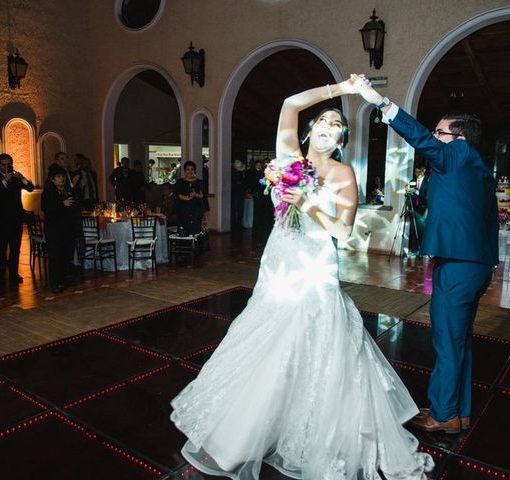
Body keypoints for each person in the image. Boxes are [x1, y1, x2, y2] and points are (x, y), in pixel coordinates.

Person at [171, 76, 433, 480]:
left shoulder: (344, 174)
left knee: (314, 340)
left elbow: (344, 233)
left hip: (316, 267)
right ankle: (247, 433)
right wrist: (341, 89)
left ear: (342, 140)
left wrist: (309, 203)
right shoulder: (288, 156)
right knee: (268, 339)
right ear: (313, 129)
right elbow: (291, 102)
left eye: (337, 128)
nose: (329, 129)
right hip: (280, 263)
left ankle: (310, 429)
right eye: (325, 123)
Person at [359, 76, 498, 434]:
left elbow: (418, 136)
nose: (434, 138)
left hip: (457, 266)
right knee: (460, 341)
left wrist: (380, 102)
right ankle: (458, 410)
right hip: (475, 265)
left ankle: (442, 415)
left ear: (459, 138)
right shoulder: (475, 168)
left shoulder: (460, 153)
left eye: (441, 133)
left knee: (447, 342)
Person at [0, 153, 35, 287]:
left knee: (15, 248)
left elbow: (30, 188)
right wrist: (5, 182)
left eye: (9, 164)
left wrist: (22, 178)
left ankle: (14, 274)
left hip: (16, 219)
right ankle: (0, 274)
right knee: (1, 249)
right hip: (1, 220)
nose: (7, 167)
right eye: (4, 164)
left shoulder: (16, 178)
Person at [41, 164, 79, 294]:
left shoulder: (68, 190)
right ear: (52, 179)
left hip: (68, 228)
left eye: (63, 176)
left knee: (66, 255)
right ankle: (54, 283)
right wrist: (62, 204)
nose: (61, 179)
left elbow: (75, 204)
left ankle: (63, 279)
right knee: (55, 256)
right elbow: (46, 208)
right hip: (54, 229)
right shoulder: (48, 192)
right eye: (58, 177)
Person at [173, 161, 205, 236]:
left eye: (192, 169)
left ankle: (196, 246)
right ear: (184, 171)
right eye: (188, 169)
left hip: (195, 210)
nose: (190, 171)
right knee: (183, 232)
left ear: (194, 171)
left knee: (195, 231)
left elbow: (202, 195)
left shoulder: (199, 182)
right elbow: (176, 194)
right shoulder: (180, 182)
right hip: (183, 210)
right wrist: (185, 198)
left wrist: (195, 195)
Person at [407, 165, 428, 255]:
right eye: (415, 172)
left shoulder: (427, 182)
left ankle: (423, 250)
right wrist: (408, 191)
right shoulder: (412, 181)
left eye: (418, 172)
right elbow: (410, 194)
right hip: (413, 208)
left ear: (423, 171)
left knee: (421, 230)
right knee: (413, 229)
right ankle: (413, 249)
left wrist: (417, 192)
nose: (416, 174)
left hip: (422, 208)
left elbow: (427, 196)